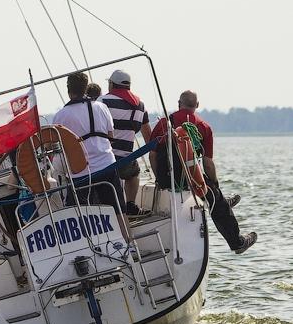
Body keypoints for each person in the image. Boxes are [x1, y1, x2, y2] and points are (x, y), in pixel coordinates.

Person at [150, 90, 256, 254]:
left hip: (166, 176)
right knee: (217, 202)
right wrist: (215, 185)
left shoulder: (164, 123)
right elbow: (207, 163)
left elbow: (153, 155)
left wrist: (160, 179)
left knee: (214, 195)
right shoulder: (203, 127)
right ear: (197, 105)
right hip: (189, 178)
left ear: (179, 103)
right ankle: (238, 243)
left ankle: (221, 199)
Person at [52, 72, 129, 239]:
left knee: (78, 213)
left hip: (80, 173)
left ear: (68, 90)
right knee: (118, 209)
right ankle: (129, 243)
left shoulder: (60, 116)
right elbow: (110, 135)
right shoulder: (101, 107)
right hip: (107, 165)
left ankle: (87, 246)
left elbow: (57, 146)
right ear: (86, 88)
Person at [99, 70, 152, 215]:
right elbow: (148, 137)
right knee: (134, 173)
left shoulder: (102, 102)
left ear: (111, 84)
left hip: (104, 159)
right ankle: (131, 204)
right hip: (125, 159)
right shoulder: (140, 105)